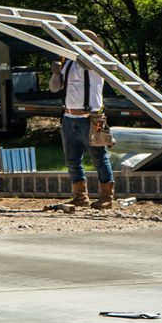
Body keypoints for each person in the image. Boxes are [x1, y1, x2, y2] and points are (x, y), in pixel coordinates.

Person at [49, 53, 115, 208]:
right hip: (69, 117)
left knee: (99, 158)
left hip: (90, 118)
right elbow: (54, 88)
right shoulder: (69, 62)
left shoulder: (97, 61)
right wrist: (56, 73)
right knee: (72, 160)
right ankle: (80, 197)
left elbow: (87, 65)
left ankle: (107, 197)